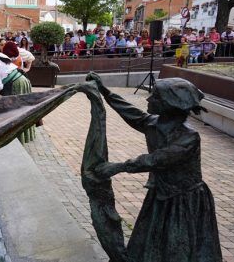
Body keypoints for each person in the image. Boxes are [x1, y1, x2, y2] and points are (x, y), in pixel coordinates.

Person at [87, 73, 221, 262]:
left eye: (156, 96)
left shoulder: (189, 137)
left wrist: (117, 167)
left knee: (178, 245)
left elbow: (155, 160)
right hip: (161, 193)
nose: (149, 98)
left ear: (170, 104)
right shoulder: (154, 123)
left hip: (184, 199)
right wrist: (105, 91)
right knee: (152, 239)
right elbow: (130, 112)